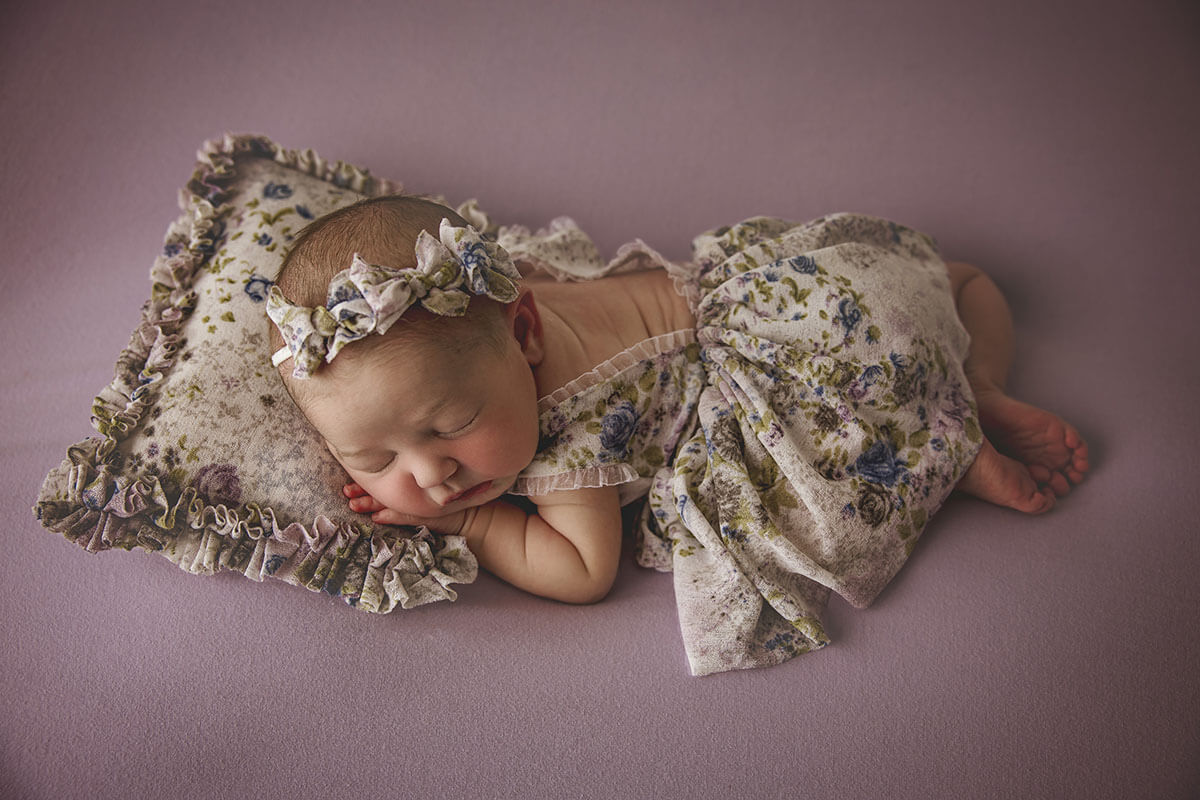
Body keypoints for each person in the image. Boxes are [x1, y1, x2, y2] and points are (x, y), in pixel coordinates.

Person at [266, 195, 1088, 673]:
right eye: (373, 459)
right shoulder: (495, 298)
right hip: (805, 290)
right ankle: (978, 384)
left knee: (859, 447)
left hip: (805, 368)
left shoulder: (565, 443)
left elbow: (585, 572)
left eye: (451, 428)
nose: (431, 476)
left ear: (526, 339)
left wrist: (474, 523)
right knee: (963, 286)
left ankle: (957, 441)